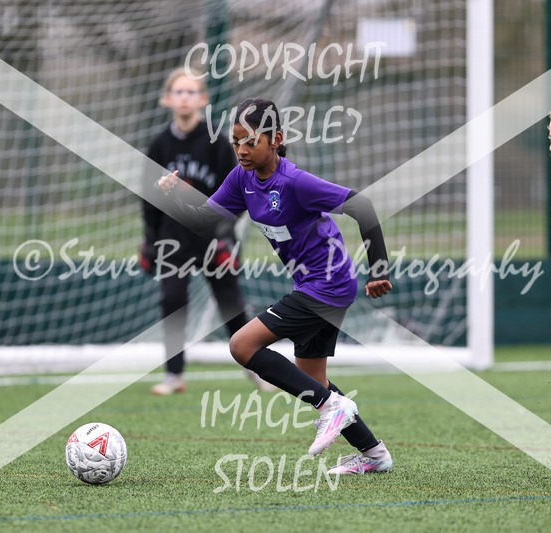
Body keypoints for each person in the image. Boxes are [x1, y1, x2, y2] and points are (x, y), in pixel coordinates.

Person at [154, 97, 394, 474]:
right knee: (314, 381)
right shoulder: (241, 179)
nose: (242, 150)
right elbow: (203, 222)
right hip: (316, 284)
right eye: (236, 142)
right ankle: (374, 454)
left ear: (276, 139)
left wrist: (378, 269)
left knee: (242, 344)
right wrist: (175, 194)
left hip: (327, 284)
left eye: (251, 141)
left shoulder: (295, 182)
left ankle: (332, 407)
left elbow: (361, 206)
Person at [141, 68, 273, 395]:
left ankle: (260, 371)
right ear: (167, 99)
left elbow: (239, 189)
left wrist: (225, 234)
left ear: (202, 99)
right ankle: (174, 375)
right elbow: (149, 194)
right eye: (178, 92)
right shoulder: (159, 144)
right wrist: (150, 239)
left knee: (231, 307)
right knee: (172, 300)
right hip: (174, 239)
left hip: (212, 238)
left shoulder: (216, 142)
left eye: (191, 92)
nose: (185, 98)